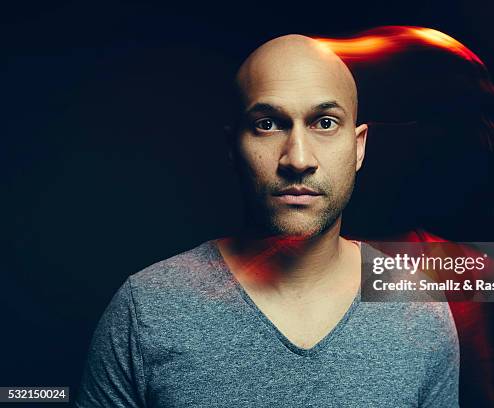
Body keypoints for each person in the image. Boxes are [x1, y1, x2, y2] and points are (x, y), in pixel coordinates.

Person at [75, 34, 460, 407]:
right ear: (233, 147)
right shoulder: (146, 308)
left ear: (358, 148)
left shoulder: (418, 307)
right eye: (268, 123)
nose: (297, 159)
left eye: (325, 123)